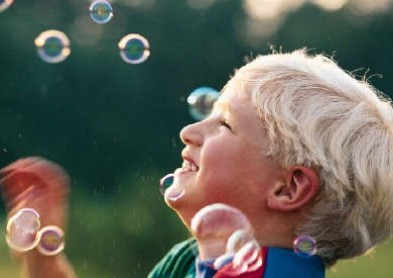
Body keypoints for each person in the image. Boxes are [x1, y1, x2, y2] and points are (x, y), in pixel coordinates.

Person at [1, 49, 393, 277]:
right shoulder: (189, 259)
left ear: (288, 188)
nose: (190, 132)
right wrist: (42, 253)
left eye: (224, 123)